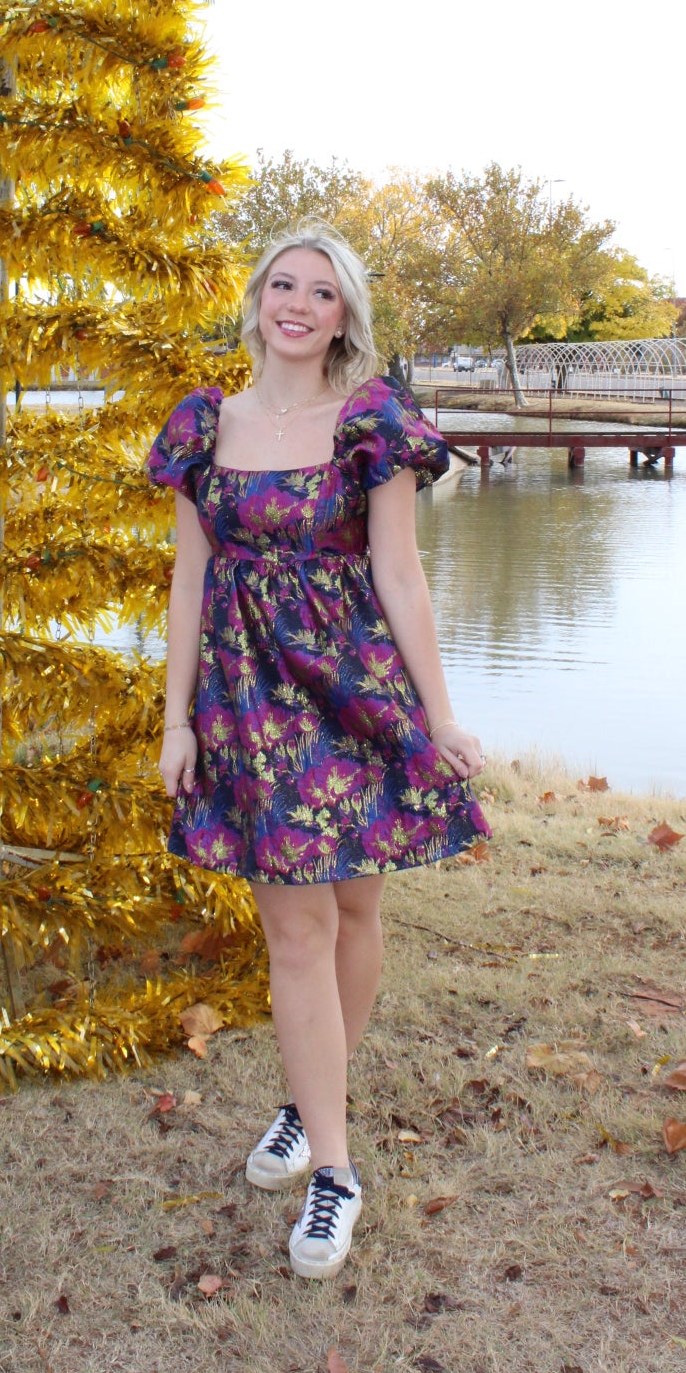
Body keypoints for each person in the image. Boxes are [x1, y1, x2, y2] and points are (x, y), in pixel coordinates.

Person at [147, 224, 490, 1281]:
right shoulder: (205, 424)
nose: (297, 304)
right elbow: (189, 584)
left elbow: (401, 577)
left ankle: (304, 1105)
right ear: (255, 300)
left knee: (353, 910)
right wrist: (174, 718)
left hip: (353, 691)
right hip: (247, 701)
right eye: (282, 285)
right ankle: (334, 1172)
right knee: (293, 927)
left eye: (321, 292)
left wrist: (436, 716)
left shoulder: (370, 419)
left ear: (344, 314)